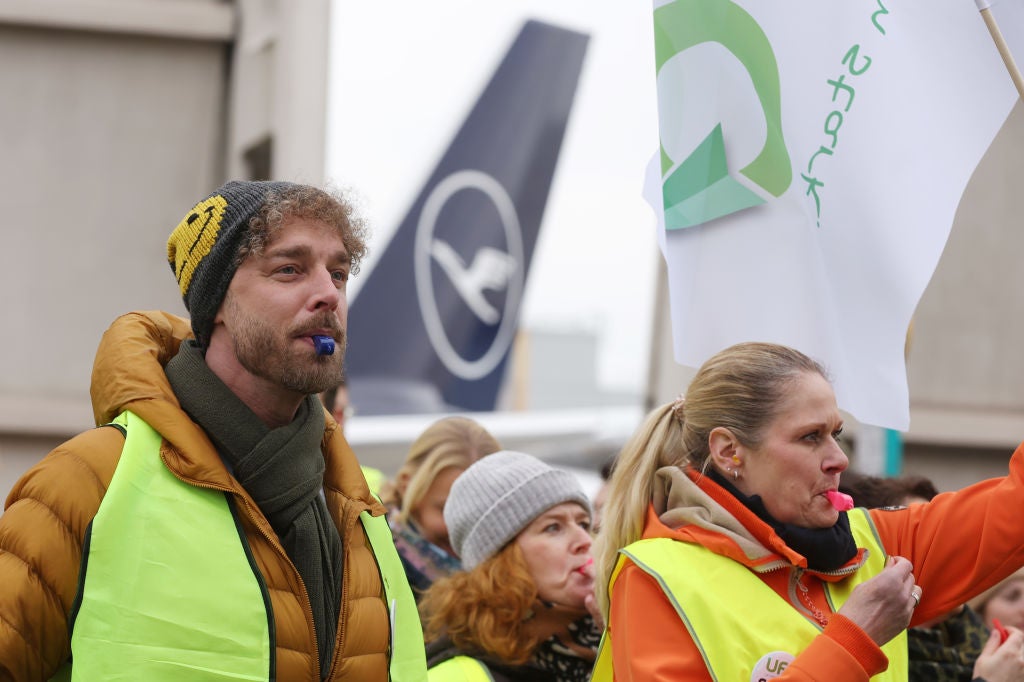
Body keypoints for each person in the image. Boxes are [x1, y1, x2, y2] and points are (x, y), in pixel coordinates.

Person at [0, 181, 426, 680]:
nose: (328, 294)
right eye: (289, 269)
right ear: (216, 304)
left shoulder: (364, 516)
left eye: (338, 273)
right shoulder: (87, 482)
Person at [592, 342, 1024, 681]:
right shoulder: (657, 579)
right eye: (810, 437)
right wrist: (854, 643)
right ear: (729, 452)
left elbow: (1013, 507)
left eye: (835, 433)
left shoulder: (872, 542)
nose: (839, 458)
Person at [422, 451, 602, 681]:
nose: (585, 541)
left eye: (584, 524)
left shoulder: (611, 638)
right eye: (553, 527)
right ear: (501, 562)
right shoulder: (460, 675)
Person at [842, 471, 1024, 682]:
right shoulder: (873, 655)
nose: (943, 547)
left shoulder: (983, 648)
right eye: (918, 536)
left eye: (938, 530)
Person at [380, 416, 502, 599]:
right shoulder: (373, 565)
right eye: (448, 510)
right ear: (407, 486)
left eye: (482, 512)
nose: (465, 529)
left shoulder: (511, 573)